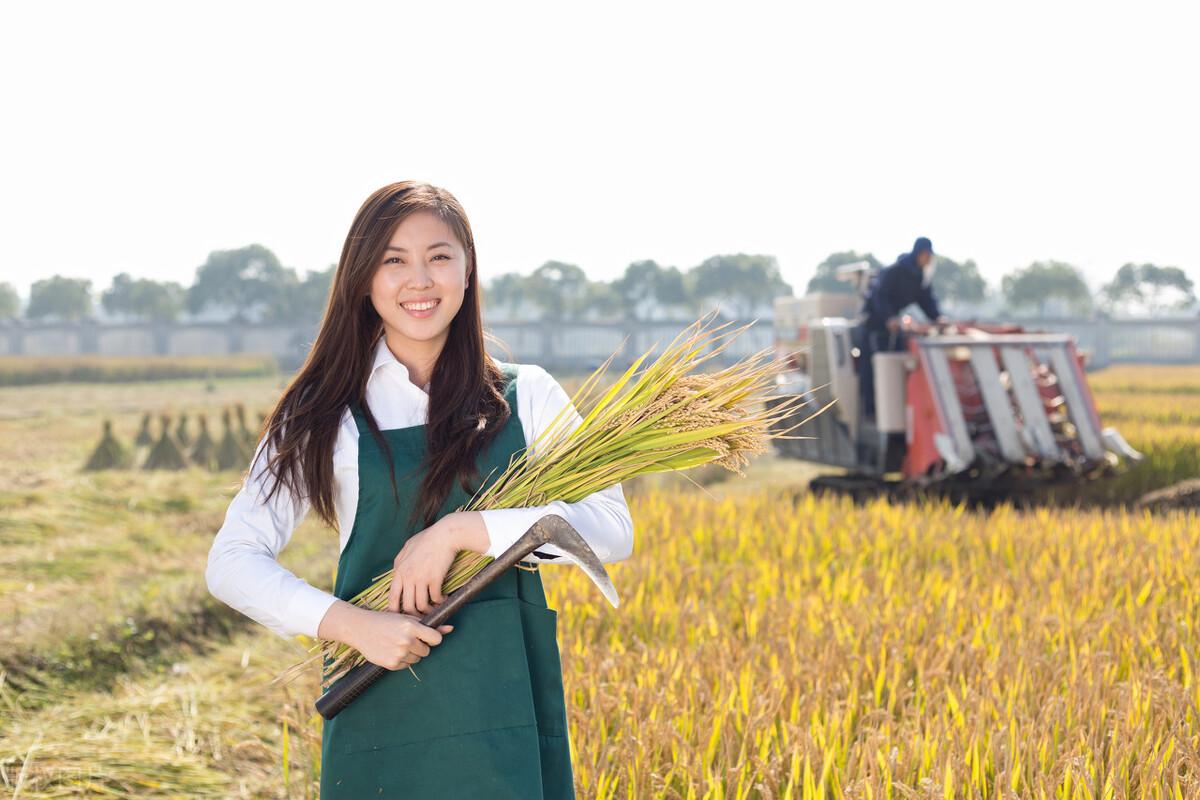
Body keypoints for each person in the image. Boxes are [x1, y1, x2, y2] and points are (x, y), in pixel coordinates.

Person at [204, 181, 635, 799]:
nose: (420, 280)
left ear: (467, 271)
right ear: (363, 279)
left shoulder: (528, 395)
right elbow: (231, 562)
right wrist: (353, 627)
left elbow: (611, 530)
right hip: (380, 697)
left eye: (439, 256)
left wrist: (462, 531)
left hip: (504, 699)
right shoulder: (321, 411)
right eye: (393, 260)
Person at [856, 237, 949, 418]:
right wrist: (889, 317)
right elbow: (879, 296)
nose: (929, 260)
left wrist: (938, 317)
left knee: (897, 364)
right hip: (874, 326)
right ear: (920, 254)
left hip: (892, 328)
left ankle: (897, 409)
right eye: (927, 256)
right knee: (871, 368)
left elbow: (927, 300)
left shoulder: (919, 277)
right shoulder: (894, 271)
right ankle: (871, 412)